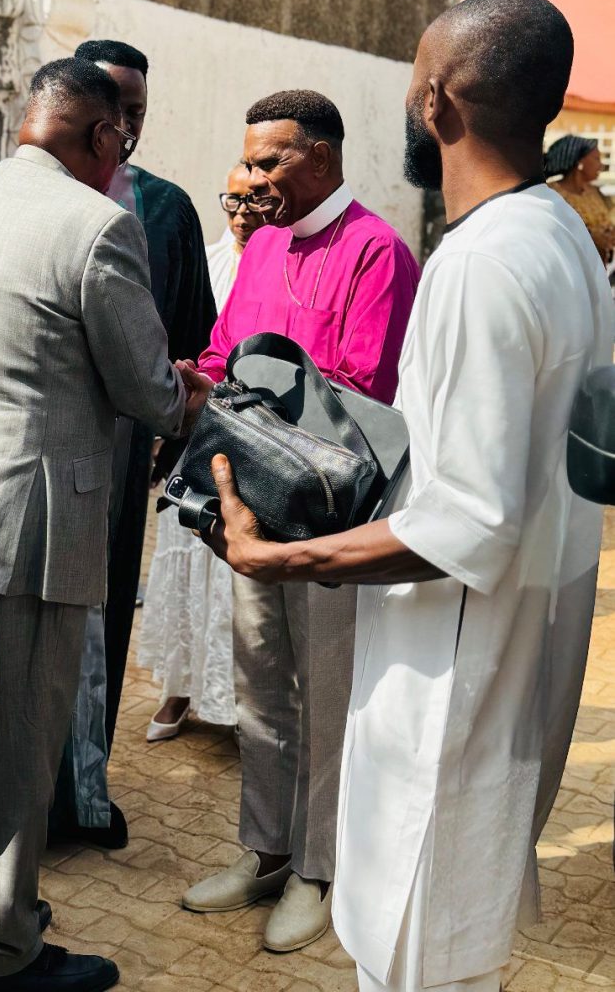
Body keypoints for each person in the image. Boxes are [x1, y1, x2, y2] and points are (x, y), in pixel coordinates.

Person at [203, 0, 613, 992]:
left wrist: (282, 556)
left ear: (437, 101)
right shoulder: (565, 239)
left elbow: (466, 520)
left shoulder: (480, 263)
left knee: (414, 957)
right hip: (514, 660)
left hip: (450, 684)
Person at [0, 57, 212, 992]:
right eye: (121, 134)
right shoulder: (97, 224)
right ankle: (2, 955)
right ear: (102, 134)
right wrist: (185, 395)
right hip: (29, 526)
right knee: (16, 748)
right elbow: (147, 390)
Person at [182, 90, 420, 954]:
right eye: (248, 160)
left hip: (326, 516)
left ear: (319, 156)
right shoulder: (263, 246)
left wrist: (245, 402)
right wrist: (193, 379)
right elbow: (223, 351)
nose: (252, 177)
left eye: (269, 160)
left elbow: (360, 389)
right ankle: (266, 849)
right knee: (259, 686)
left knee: (326, 696)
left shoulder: (377, 250)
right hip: (247, 508)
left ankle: (319, 869)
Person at [48, 39, 217, 848]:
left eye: (138, 112)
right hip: (22, 447)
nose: (126, 126)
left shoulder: (166, 208)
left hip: (115, 450)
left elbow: (186, 339)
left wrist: (160, 433)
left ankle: (84, 787)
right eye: (114, 109)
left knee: (101, 616)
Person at [139, 163, 269, 737]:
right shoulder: (206, 262)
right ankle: (179, 690)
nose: (241, 213)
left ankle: (238, 703)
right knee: (186, 558)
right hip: (194, 441)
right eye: (232, 201)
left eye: (254, 201)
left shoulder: (277, 270)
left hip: (254, 441)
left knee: (235, 575)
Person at [545, 133, 615, 264]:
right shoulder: (551, 194)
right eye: (596, 159)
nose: (601, 165)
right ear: (580, 162)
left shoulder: (595, 192)